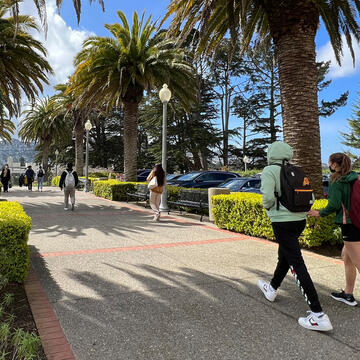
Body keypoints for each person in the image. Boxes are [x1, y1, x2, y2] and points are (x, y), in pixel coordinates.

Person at [258, 141, 333, 331]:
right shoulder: (298, 171)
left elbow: (267, 197)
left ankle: (318, 315)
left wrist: (271, 209)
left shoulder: (269, 171)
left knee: (296, 262)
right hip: (300, 220)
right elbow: (311, 197)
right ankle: (272, 288)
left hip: (281, 222)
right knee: (286, 255)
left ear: (271, 154)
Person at [308, 153, 359, 307]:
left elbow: (334, 204)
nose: (329, 166)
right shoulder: (355, 177)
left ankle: (349, 294)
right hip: (358, 221)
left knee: (357, 260)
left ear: (335, 165)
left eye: (330, 163)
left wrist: (320, 213)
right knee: (346, 256)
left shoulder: (337, 181)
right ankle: (348, 294)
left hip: (349, 223)